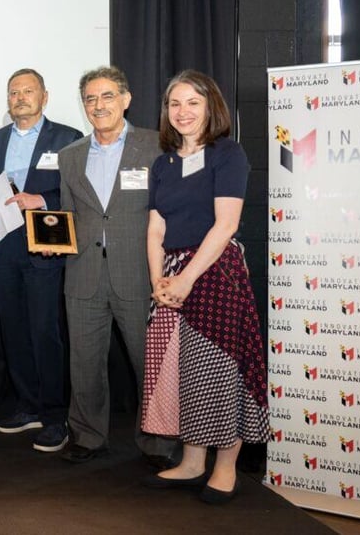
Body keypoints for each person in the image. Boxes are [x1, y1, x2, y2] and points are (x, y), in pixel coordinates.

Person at [140, 70, 268, 504]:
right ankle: (193, 462)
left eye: (193, 102)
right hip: (172, 274)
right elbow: (155, 227)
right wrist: (159, 279)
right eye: (175, 103)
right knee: (184, 374)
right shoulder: (163, 162)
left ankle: (225, 466)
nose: (183, 112)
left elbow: (226, 224)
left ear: (210, 106)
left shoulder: (226, 154)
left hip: (213, 273)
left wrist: (186, 278)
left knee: (217, 372)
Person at [57, 66, 178, 467]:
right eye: (91, 98)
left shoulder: (157, 145)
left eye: (107, 96)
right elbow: (70, 217)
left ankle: (158, 442)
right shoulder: (70, 156)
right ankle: (88, 436)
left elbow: (171, 212)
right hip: (83, 274)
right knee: (84, 363)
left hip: (140, 274)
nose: (98, 105)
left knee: (150, 362)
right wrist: (55, 243)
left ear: (125, 100)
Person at [0, 69, 81, 453]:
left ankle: (55, 415)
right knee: (13, 330)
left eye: (28, 91)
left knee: (45, 331)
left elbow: (79, 193)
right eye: (14, 92)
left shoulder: (67, 138)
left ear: (45, 96)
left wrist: (42, 201)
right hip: (2, 246)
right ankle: (28, 405)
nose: (20, 97)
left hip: (46, 245)